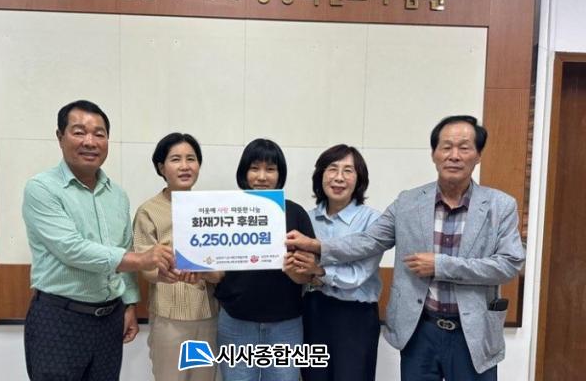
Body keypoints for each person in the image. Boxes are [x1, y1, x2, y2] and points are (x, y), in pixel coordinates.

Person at [287, 115, 526, 381]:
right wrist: (317, 245)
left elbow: (509, 263)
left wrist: (440, 265)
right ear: (434, 154)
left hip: (474, 333)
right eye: (446, 147)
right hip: (420, 329)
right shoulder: (408, 202)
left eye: (464, 147)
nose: (454, 156)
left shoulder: (500, 205)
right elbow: (369, 241)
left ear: (478, 155)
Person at [22, 100, 175, 381]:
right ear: (60, 137)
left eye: (99, 134)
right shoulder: (42, 189)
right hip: (59, 318)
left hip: (109, 319)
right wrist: (142, 259)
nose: (90, 142)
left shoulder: (117, 195)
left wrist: (129, 304)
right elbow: (71, 249)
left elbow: (124, 250)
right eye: (79, 132)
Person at [214, 138, 314, 381]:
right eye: (254, 168)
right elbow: (216, 271)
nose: (262, 177)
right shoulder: (225, 211)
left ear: (280, 175)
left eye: (270, 169)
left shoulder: (296, 213)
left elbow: (308, 275)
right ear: (244, 172)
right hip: (236, 321)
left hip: (285, 325)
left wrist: (294, 271)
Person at [288, 144, 382, 381]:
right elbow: (299, 269)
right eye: (332, 169)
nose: (339, 177)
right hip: (313, 312)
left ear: (359, 179)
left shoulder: (373, 221)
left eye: (348, 171)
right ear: (320, 176)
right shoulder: (306, 218)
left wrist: (318, 271)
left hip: (356, 317)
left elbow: (359, 274)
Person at [133, 132, 222, 381]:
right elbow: (146, 268)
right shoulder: (148, 211)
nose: (184, 166)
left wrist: (208, 272)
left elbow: (220, 269)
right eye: (175, 159)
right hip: (169, 319)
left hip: (207, 316)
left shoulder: (211, 208)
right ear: (161, 167)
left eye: (191, 159)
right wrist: (169, 267)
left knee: (204, 378)